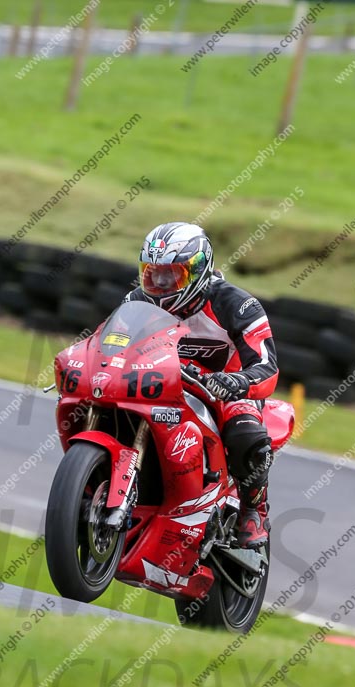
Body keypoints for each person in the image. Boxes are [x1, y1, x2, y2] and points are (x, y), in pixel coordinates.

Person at [124, 221, 278, 549]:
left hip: (224, 389)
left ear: (197, 271)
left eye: (172, 275)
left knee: (245, 433)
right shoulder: (137, 300)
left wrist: (236, 381)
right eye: (153, 274)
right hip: (160, 383)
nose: (161, 284)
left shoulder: (237, 305)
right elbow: (109, 343)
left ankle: (254, 510)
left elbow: (267, 366)